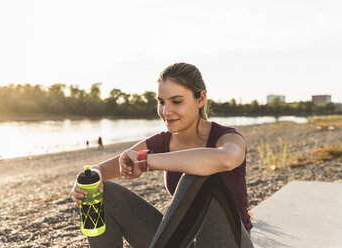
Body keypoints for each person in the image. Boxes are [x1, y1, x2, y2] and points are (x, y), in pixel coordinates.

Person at [71, 62, 252, 247]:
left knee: (200, 177)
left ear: (201, 99)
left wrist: (146, 161)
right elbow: (101, 168)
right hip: (185, 242)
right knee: (104, 193)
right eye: (161, 102)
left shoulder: (227, 137)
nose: (166, 111)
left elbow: (227, 158)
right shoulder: (162, 142)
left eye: (177, 101)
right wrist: (88, 181)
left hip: (229, 242)